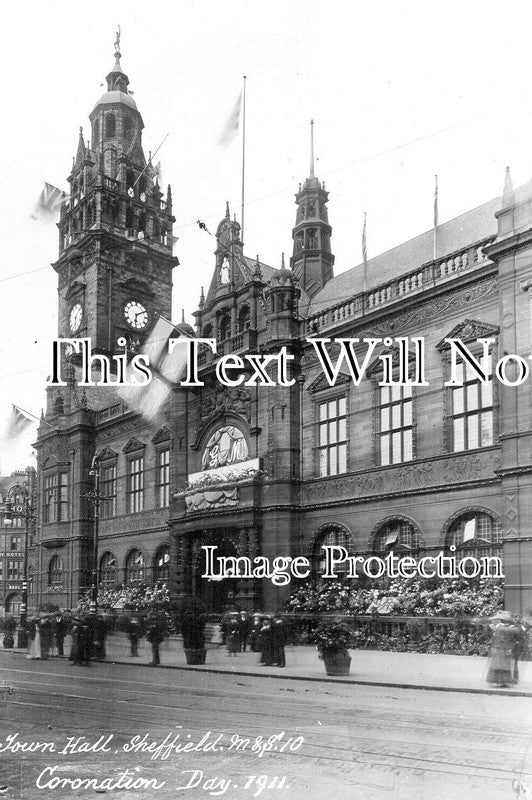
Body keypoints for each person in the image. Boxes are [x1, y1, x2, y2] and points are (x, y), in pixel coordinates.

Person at [486, 611, 518, 687]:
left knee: (498, 665)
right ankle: (502, 681)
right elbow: (512, 640)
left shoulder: (500, 629)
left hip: (500, 649)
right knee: (503, 666)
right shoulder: (508, 629)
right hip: (504, 649)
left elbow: (496, 639)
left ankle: (497, 681)